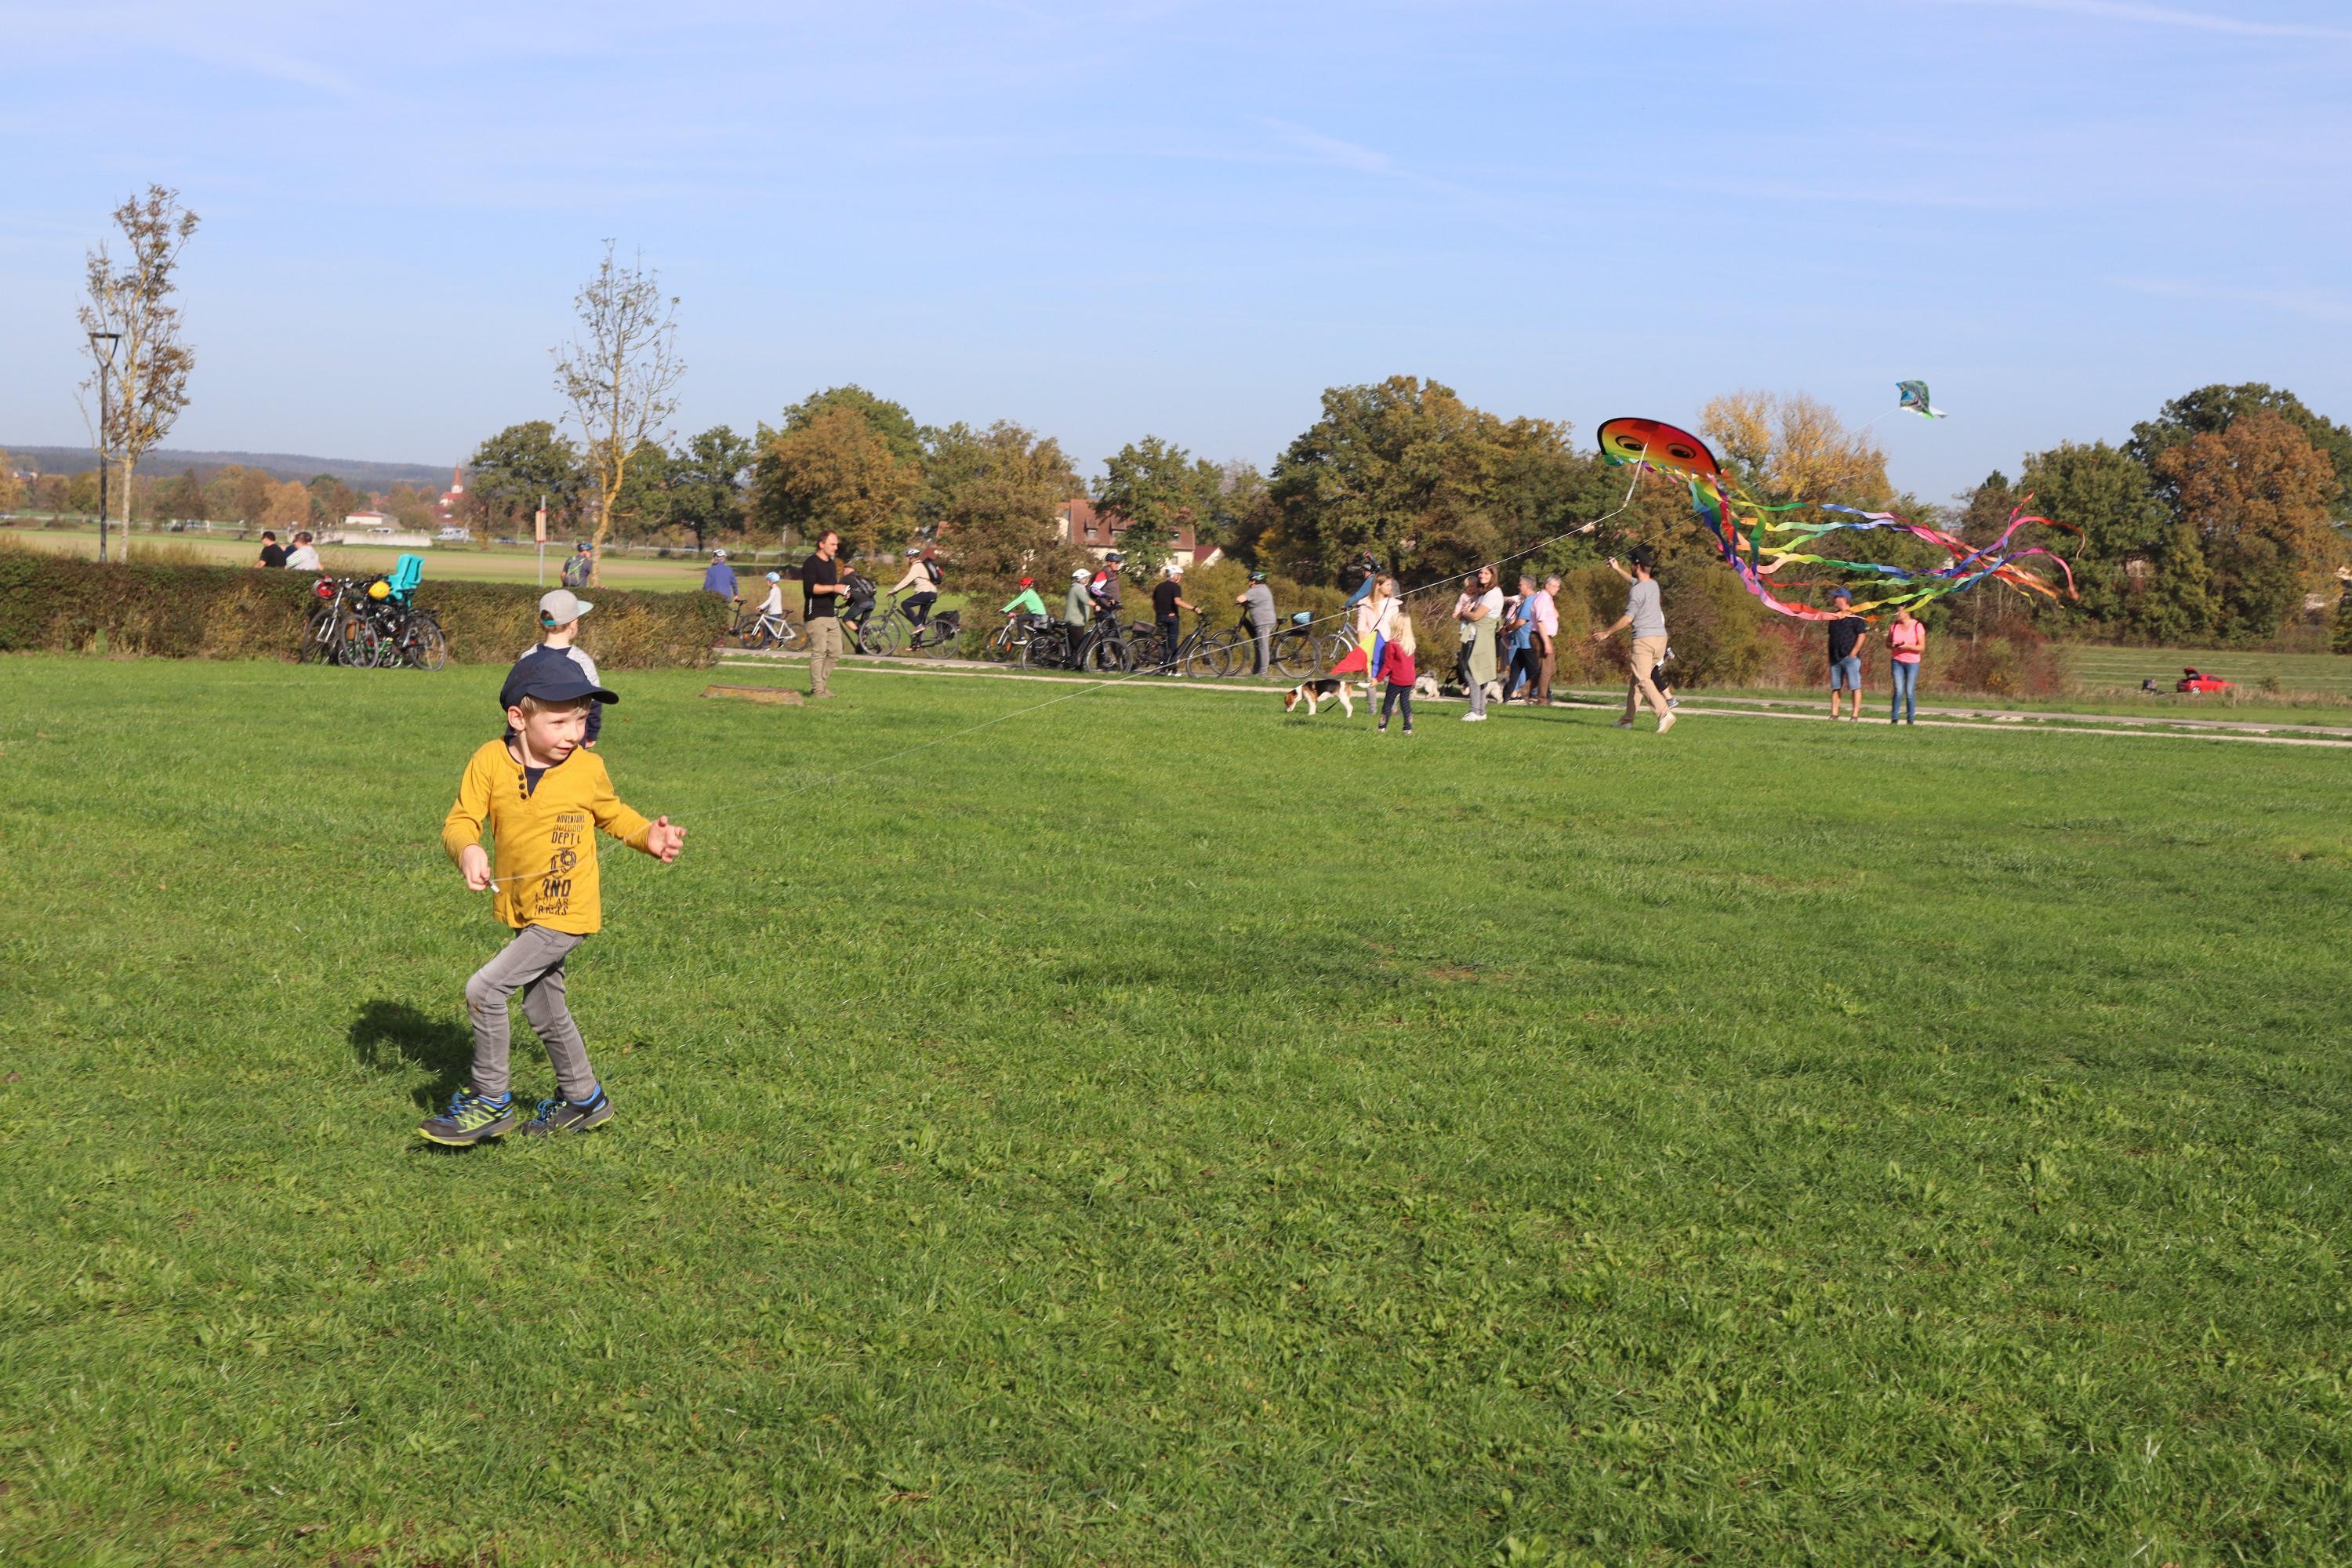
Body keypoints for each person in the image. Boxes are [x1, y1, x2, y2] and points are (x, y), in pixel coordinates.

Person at [420, 661, 685, 1145]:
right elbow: (460, 821)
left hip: (567, 909)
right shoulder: (488, 761)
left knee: (485, 989)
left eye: (581, 720)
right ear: (520, 718)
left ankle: (489, 1100)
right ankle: (584, 1098)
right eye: (560, 722)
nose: (574, 733)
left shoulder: (587, 767)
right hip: (524, 905)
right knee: (544, 1007)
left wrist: (648, 835)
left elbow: (615, 815)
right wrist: (470, 849)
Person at [502, 589, 605, 749]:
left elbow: (515, 697)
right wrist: (591, 732)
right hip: (569, 741)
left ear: (541, 622)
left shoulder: (528, 656)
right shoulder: (582, 660)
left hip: (530, 737)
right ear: (573, 624)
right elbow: (594, 702)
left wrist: (513, 732)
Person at [1592, 548, 1674, 734]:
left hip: (1644, 641)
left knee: (1644, 680)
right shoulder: (1653, 585)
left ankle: (1664, 714)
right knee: (1636, 680)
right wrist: (1617, 569)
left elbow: (1628, 618)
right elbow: (1635, 582)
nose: (1630, 566)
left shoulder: (1637, 591)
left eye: (1631, 564)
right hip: (1660, 640)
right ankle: (1626, 720)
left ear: (1637, 566)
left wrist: (1607, 632)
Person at [800, 529, 851, 699]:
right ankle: (818, 690)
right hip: (815, 615)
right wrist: (834, 588)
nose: (836, 548)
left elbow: (831, 587)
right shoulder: (810, 563)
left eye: (837, 544)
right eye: (833, 544)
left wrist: (842, 592)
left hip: (830, 614)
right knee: (819, 651)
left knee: (836, 651)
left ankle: (820, 685)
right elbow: (811, 588)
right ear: (822, 544)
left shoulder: (831, 564)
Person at [1456, 564, 1502, 721]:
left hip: (1480, 636)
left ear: (1492, 575)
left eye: (1486, 573)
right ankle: (1481, 711)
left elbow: (1476, 616)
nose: (1482, 575)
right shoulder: (1485, 593)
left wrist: (1464, 612)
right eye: (1481, 573)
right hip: (1475, 635)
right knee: (1477, 673)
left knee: (1472, 673)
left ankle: (1475, 710)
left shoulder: (1493, 594)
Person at [1825, 588, 1868, 721]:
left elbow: (1862, 635)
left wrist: (1853, 652)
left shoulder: (1856, 617)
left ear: (1844, 599)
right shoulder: (1833, 617)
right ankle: (1834, 714)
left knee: (1855, 686)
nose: (1834, 600)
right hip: (1835, 657)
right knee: (1836, 686)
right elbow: (1830, 636)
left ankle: (1854, 715)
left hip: (1850, 658)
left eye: (1836, 597)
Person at [1376, 610, 1417, 736]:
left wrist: (1378, 678)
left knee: (1388, 703)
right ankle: (1407, 728)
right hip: (1409, 679)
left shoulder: (1392, 644)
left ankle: (1382, 727)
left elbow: (1388, 666)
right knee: (1405, 703)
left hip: (1396, 680)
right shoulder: (1410, 644)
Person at [1150, 565, 1196, 669]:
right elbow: (1177, 601)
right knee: (1172, 645)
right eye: (1179, 575)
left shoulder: (1159, 586)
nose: (1180, 578)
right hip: (1171, 619)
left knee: (1163, 644)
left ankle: (1163, 668)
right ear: (1174, 576)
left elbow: (1153, 604)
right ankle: (1172, 669)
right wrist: (1193, 608)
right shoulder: (1176, 587)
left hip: (1160, 617)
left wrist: (1160, 613)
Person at [1502, 574, 1540, 702]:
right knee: (1516, 668)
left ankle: (1536, 694)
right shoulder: (1532, 600)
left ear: (1527, 586)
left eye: (1520, 585)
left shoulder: (1529, 601)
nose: (1518, 587)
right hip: (1521, 641)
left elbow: (1521, 622)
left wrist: (1507, 629)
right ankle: (1507, 695)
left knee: (1533, 669)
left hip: (1526, 642)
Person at [1887, 604, 1926, 724]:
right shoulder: (1894, 626)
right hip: (1897, 660)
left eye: (1900, 612)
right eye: (1897, 612)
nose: (1898, 614)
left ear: (1908, 613)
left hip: (1912, 662)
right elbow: (1887, 643)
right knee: (1898, 690)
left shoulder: (1917, 626)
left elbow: (1922, 647)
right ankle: (1894, 718)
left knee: (1909, 691)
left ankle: (1910, 719)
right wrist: (1892, 645)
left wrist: (1909, 646)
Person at [891, 543, 943, 630]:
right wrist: (897, 591)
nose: (906, 559)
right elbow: (909, 583)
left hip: (926, 593)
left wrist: (894, 590)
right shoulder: (921, 566)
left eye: (907, 557)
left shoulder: (917, 566)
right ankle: (917, 642)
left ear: (911, 557)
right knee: (920, 620)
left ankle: (919, 626)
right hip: (932, 593)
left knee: (905, 604)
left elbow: (906, 581)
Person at [1236, 569, 1276, 676]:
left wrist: (1240, 602)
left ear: (1255, 581)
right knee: (1258, 644)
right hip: (1266, 620)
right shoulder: (1264, 589)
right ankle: (1256, 670)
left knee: (1263, 645)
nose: (1249, 583)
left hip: (1264, 622)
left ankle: (1263, 671)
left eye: (1250, 580)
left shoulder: (1256, 590)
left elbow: (1240, 599)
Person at [1530, 575, 1562, 706]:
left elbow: (1556, 615)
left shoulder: (1548, 599)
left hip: (1546, 636)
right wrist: (1546, 643)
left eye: (1558, 587)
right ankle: (1542, 699)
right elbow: (1541, 622)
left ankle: (1525, 690)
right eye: (1554, 586)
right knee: (1546, 669)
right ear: (1547, 585)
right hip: (1541, 636)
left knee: (1548, 669)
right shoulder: (1542, 599)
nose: (1557, 589)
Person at [1087, 551, 1124, 626]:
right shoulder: (1103, 574)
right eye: (1116, 563)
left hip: (1110, 610)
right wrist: (1107, 596)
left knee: (1113, 634)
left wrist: (1118, 604)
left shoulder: (1112, 575)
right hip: (1103, 610)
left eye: (1119, 563)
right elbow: (1094, 589)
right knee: (1104, 635)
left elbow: (1113, 591)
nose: (1118, 565)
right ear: (1109, 563)